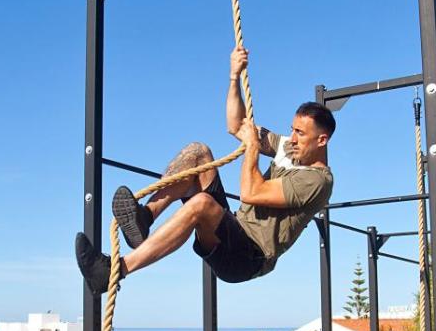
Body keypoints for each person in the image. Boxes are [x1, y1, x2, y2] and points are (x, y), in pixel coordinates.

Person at [76, 44, 335, 292]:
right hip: (234, 228)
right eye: (292, 129)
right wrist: (234, 77)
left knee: (202, 204)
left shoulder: (317, 181)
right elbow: (236, 125)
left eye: (300, 133)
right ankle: (145, 217)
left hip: (249, 257)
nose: (292, 138)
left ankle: (114, 271)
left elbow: (251, 193)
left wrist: (253, 148)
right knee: (198, 153)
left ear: (321, 140)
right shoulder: (288, 147)